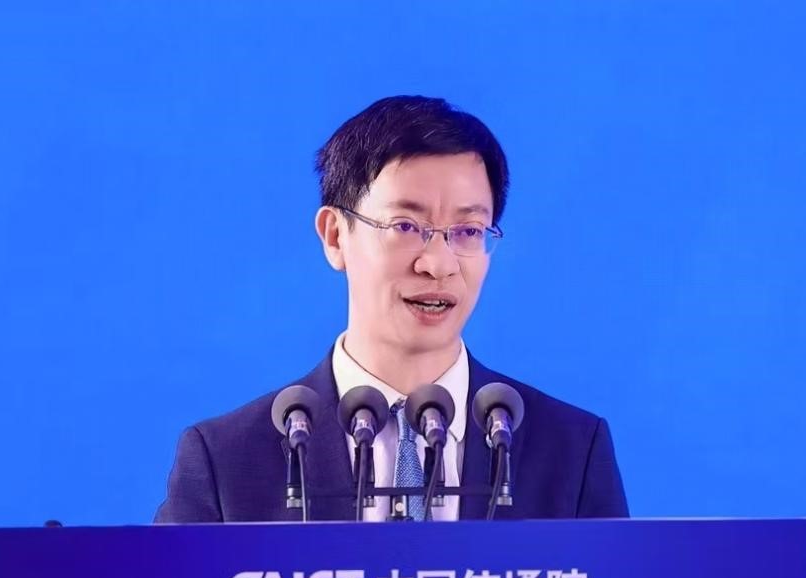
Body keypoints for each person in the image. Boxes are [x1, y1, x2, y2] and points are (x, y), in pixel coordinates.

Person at [155, 95, 627, 523]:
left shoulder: (571, 452)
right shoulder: (226, 461)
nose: (438, 264)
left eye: (468, 232)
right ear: (335, 236)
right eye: (405, 226)